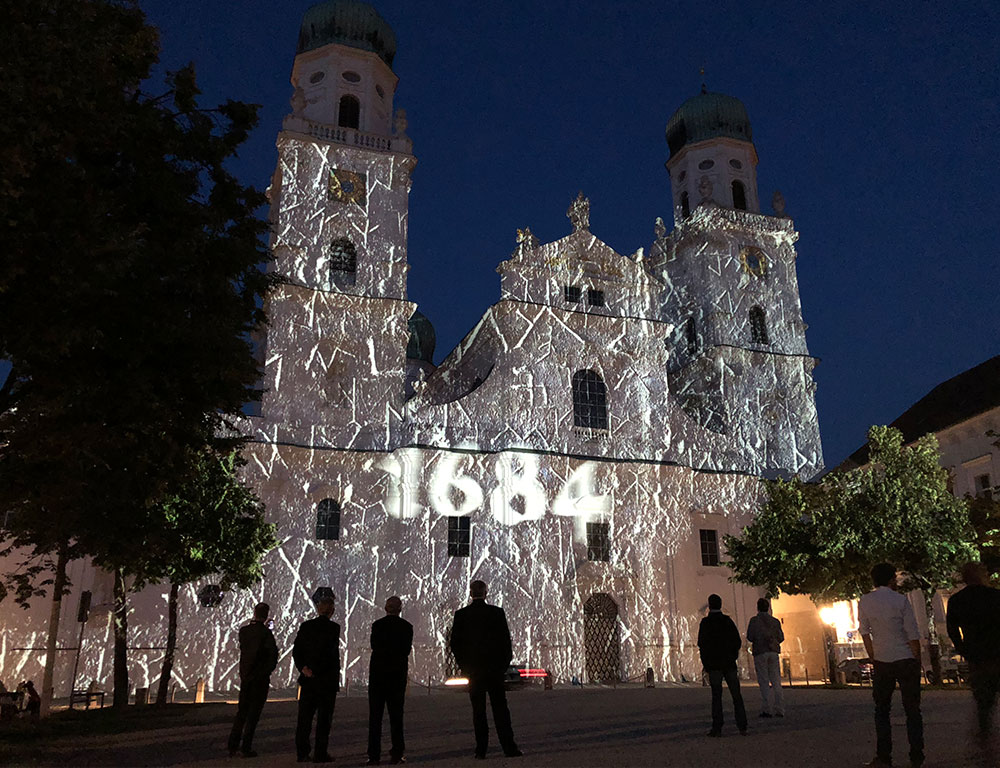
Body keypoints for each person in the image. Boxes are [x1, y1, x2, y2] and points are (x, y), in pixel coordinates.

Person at [858, 563, 924, 768]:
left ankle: (884, 756)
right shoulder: (900, 600)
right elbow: (912, 633)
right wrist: (917, 658)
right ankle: (916, 755)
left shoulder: (865, 601)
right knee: (912, 710)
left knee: (882, 709)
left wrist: (873, 655)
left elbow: (864, 631)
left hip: (882, 660)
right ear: (891, 579)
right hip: (905, 658)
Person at [449, 580, 522, 759]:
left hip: (474, 671)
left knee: (478, 711)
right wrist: (503, 665)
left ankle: (481, 749)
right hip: (494, 670)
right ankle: (508, 747)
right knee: (500, 709)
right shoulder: (496, 613)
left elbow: (455, 644)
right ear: (486, 592)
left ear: (471, 593)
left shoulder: (461, 615)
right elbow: (506, 642)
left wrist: (464, 666)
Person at [946, 561, 1000, 753]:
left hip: (977, 656)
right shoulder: (995, 597)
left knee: (984, 701)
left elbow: (952, 630)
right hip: (997, 653)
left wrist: (963, 649)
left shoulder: (957, 600)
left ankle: (984, 741)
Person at [293, 595, 341, 763]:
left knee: (304, 718)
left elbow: (297, 650)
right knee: (324, 719)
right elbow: (329, 654)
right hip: (326, 680)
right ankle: (320, 753)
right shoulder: (334, 628)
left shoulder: (306, 626)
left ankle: (302, 752)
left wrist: (304, 668)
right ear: (332, 611)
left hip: (308, 679)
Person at [228, 602, 279, 758]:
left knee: (242, 712)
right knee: (253, 714)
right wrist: (266, 671)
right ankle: (246, 747)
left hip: (246, 676)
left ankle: (232, 745)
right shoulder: (266, 634)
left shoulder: (244, 631)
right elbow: (272, 657)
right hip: (260, 678)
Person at [367, 595, 413, 766]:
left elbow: (374, 646)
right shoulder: (407, 627)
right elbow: (406, 650)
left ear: (386, 608)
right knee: (396, 717)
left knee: (375, 718)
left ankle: (373, 755)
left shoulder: (377, 626)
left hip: (378, 676)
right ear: (400, 609)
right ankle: (397, 753)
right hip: (397, 676)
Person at [697, 593, 748, 736]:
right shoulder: (727, 621)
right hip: (729, 663)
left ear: (709, 605)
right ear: (720, 605)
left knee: (716, 695)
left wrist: (706, 663)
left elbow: (702, 644)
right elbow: (737, 641)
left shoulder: (705, 623)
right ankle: (742, 725)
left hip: (714, 665)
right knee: (736, 694)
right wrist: (732, 656)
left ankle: (717, 727)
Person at [746, 597, 784, 718]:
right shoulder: (775, 621)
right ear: (768, 608)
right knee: (776, 680)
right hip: (773, 651)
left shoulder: (754, 621)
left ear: (757, 608)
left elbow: (750, 636)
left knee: (763, 681)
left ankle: (766, 709)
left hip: (760, 652)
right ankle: (779, 709)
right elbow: (781, 637)